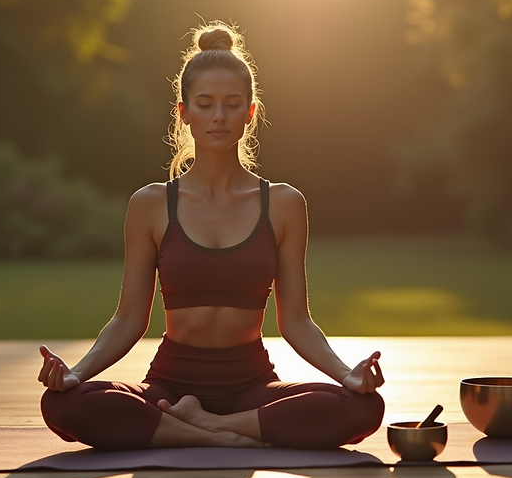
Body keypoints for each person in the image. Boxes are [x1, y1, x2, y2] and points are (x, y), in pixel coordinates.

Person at [37, 22, 384, 450]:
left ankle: (195, 429)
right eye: (205, 104)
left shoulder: (283, 204)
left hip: (252, 387)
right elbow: (130, 318)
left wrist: (348, 374)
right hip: (170, 386)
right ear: (183, 113)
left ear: (250, 112)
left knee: (363, 407)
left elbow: (295, 320)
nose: (218, 116)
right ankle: (224, 435)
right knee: (63, 404)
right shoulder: (150, 204)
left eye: (232, 104)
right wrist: (75, 374)